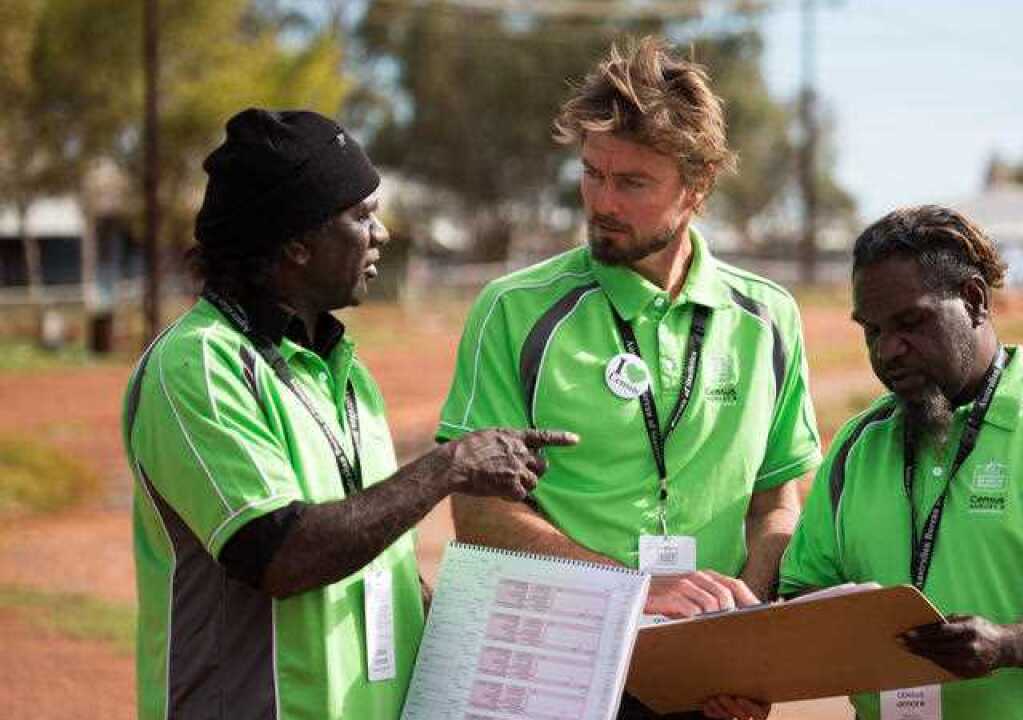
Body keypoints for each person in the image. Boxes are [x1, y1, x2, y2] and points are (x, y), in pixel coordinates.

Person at [124, 108, 576, 720]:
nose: (382, 233)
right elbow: (277, 553)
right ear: (295, 242)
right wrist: (448, 467)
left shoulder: (343, 372)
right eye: (361, 215)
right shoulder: (200, 364)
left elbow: (372, 543)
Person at [436, 37, 822, 720]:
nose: (602, 202)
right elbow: (478, 512)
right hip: (553, 671)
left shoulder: (769, 320)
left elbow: (775, 504)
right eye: (592, 174)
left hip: (705, 683)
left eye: (633, 182)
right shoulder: (514, 311)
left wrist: (742, 632)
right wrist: (634, 592)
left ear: (697, 186)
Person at [779, 205, 1023, 720]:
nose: (888, 351)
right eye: (872, 331)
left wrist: (1007, 644)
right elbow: (806, 590)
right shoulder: (857, 445)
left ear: (973, 300)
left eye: (910, 323)